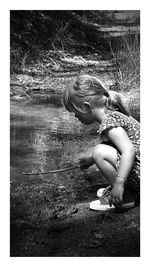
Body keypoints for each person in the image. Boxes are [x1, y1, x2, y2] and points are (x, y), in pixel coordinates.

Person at [63, 74, 140, 210]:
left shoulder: (109, 122)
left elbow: (129, 150)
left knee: (99, 151)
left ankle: (126, 198)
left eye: (76, 112)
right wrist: (91, 160)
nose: (76, 116)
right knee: (99, 152)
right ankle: (127, 189)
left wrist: (119, 183)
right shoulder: (112, 113)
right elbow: (116, 145)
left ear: (86, 107)